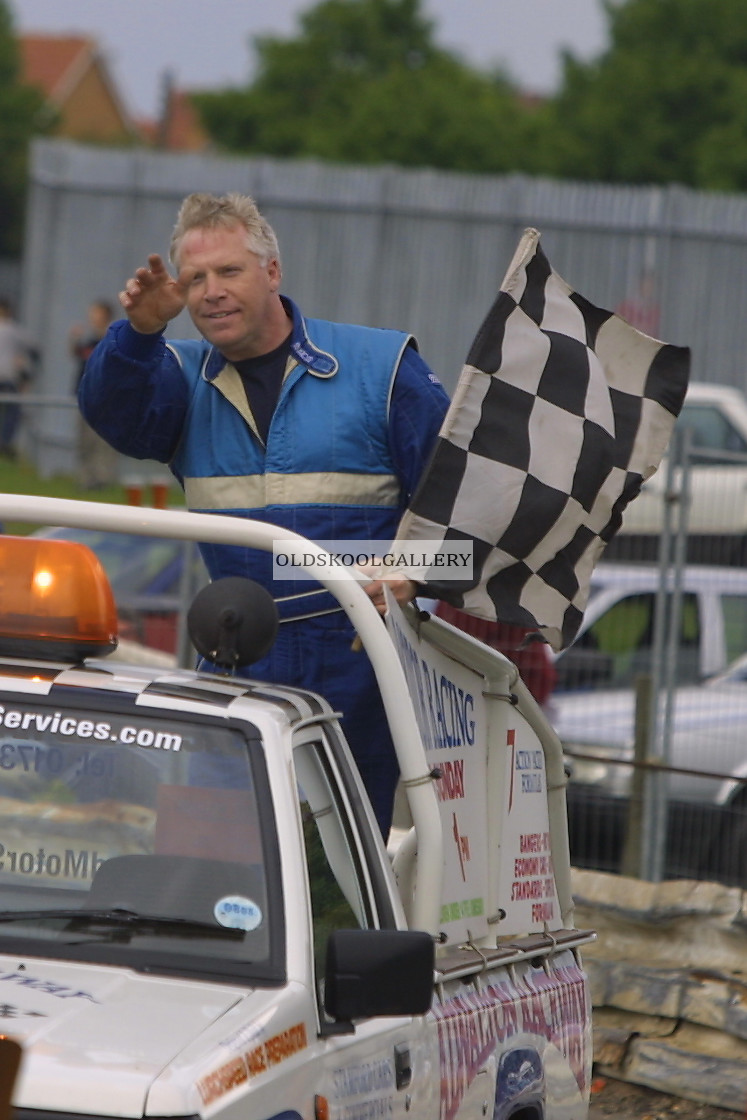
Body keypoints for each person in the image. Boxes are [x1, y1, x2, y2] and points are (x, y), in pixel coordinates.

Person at [78, 191, 450, 837]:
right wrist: (138, 334)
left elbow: (470, 521)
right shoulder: (175, 377)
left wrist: (411, 573)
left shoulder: (381, 370)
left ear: (272, 272)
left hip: (365, 667)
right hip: (235, 662)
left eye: (229, 271)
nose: (211, 292)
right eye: (194, 279)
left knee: (351, 867)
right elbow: (116, 418)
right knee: (216, 857)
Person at [69, 300, 119, 488]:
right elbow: (77, 354)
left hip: (104, 400)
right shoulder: (89, 341)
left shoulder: (110, 340)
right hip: (84, 398)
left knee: (102, 442)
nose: (91, 317)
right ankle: (86, 479)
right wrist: (74, 338)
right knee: (84, 442)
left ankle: (102, 479)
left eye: (95, 313)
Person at [0, 297, 38, 459]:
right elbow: (35, 349)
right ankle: (4, 442)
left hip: (7, 376)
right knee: (13, 411)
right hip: (8, 377)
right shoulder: (14, 330)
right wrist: (27, 372)